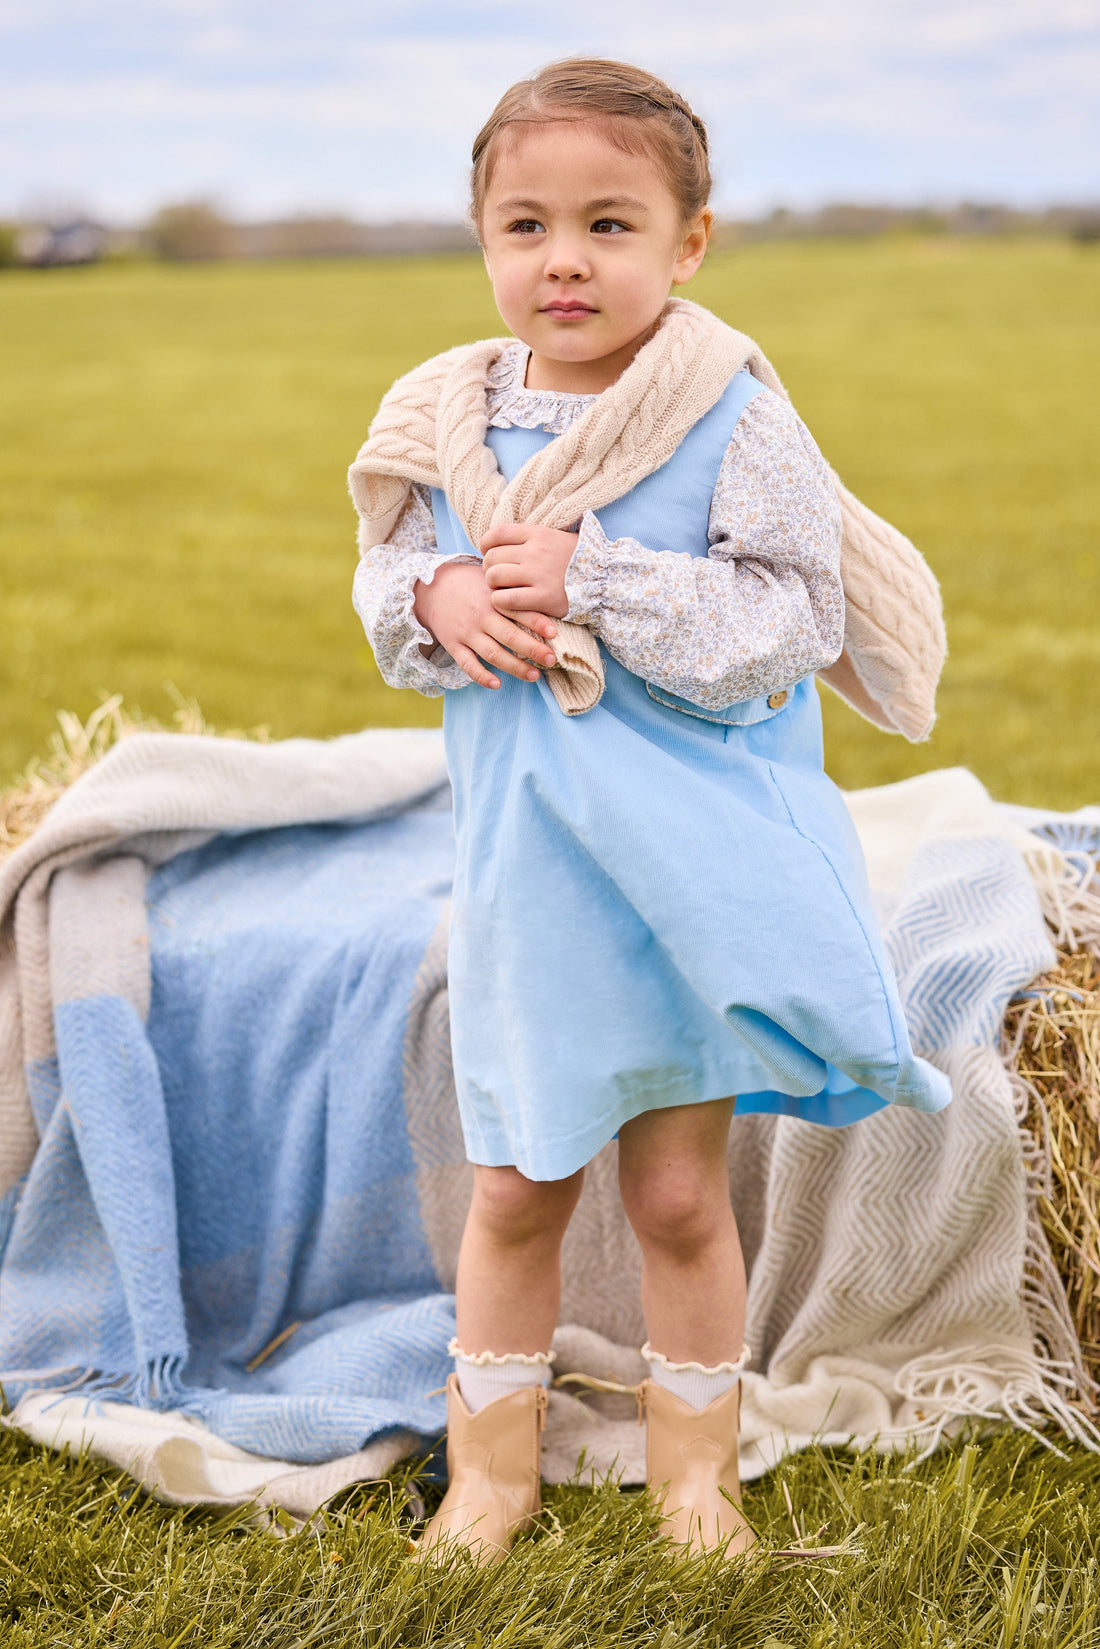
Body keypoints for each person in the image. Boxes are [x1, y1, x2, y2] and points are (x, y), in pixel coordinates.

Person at [350, 57, 950, 1563]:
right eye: (527, 224)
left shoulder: (723, 410)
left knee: (678, 1189)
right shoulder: (442, 421)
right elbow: (381, 587)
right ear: (482, 236)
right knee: (514, 1180)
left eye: (611, 224)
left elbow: (791, 614)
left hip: (684, 868)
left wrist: (601, 584)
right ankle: (493, 1476)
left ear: (689, 245)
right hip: (532, 868)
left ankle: (700, 1475)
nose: (565, 259)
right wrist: (434, 588)